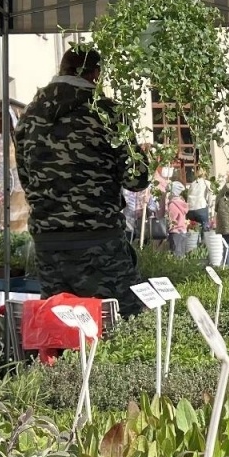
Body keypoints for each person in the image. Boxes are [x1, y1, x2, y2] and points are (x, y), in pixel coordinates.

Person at [15, 46, 149, 316]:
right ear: (96, 74)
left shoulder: (29, 117)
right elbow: (137, 179)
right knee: (119, 325)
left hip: (48, 243)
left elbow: (27, 181)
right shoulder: (108, 113)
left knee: (59, 329)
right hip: (99, 241)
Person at [185, 169, 212, 244]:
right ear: (205, 175)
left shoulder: (192, 184)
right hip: (201, 207)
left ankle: (192, 246)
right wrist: (209, 205)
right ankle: (204, 246)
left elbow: (188, 195)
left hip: (191, 209)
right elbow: (210, 195)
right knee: (205, 228)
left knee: (193, 229)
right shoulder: (206, 182)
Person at [166, 182, 191, 258]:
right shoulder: (182, 203)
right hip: (182, 230)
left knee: (175, 256)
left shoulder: (172, 205)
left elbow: (172, 220)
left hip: (175, 232)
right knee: (181, 255)